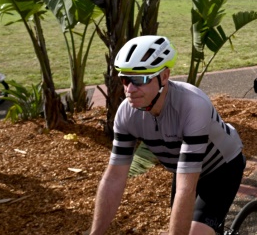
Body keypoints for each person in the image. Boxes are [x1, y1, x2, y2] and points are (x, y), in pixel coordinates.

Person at [88, 35, 245, 235]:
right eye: (125, 79)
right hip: (184, 171)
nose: (130, 89)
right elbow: (113, 179)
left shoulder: (192, 106)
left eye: (140, 79)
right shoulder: (126, 113)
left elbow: (185, 190)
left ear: (164, 76)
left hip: (221, 170)